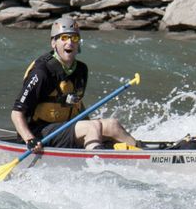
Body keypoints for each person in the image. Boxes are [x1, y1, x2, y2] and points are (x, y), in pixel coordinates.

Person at [11, 16, 137, 152]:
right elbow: (16, 113)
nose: (70, 42)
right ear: (54, 43)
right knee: (92, 127)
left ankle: (145, 153)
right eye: (64, 38)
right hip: (39, 133)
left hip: (65, 127)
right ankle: (97, 165)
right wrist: (30, 139)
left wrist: (95, 128)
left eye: (74, 38)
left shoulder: (81, 70)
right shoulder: (41, 72)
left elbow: (77, 105)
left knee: (112, 125)